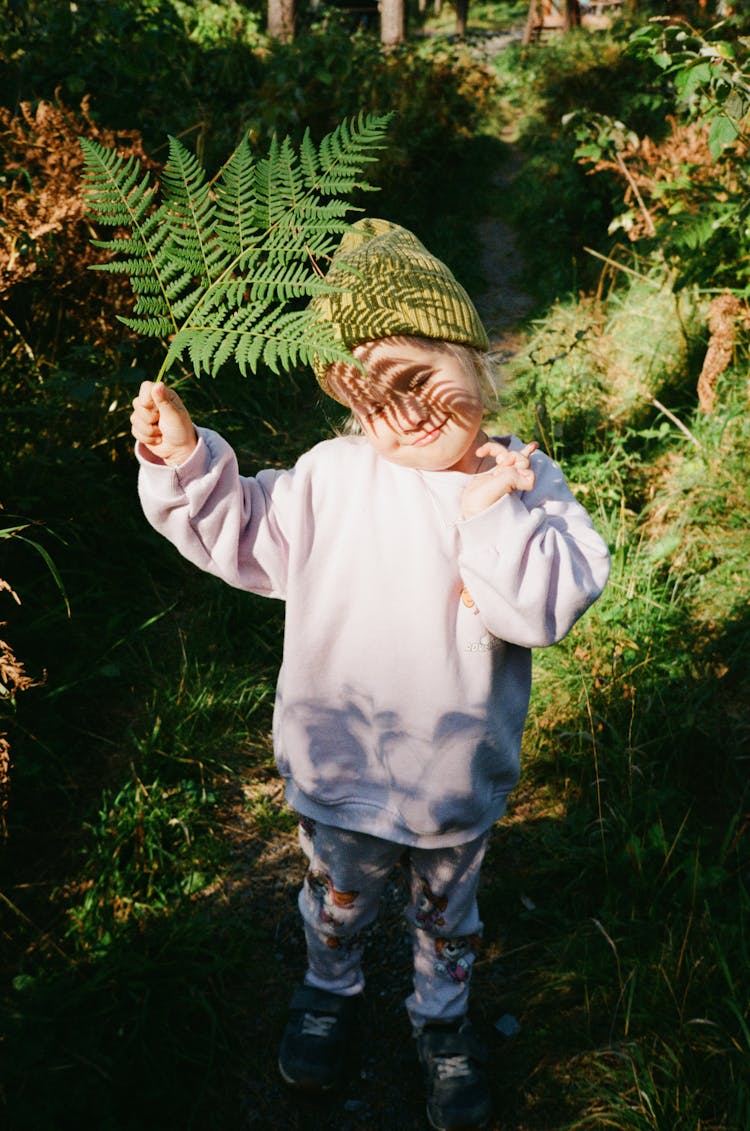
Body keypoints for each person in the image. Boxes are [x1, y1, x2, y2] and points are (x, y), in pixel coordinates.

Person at [130, 218, 610, 1131]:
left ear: (474, 355)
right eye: (374, 397)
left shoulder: (521, 479)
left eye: (424, 377)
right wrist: (187, 456)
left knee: (447, 921)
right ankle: (328, 987)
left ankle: (442, 1023)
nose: (408, 411)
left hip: (454, 785)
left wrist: (489, 517)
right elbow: (237, 532)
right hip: (340, 772)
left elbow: (540, 610)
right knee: (338, 901)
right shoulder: (328, 480)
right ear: (348, 405)